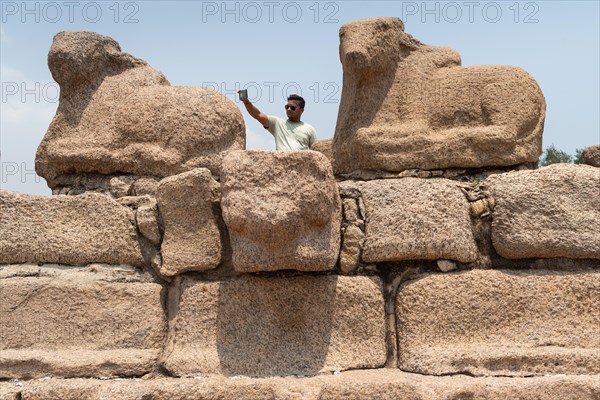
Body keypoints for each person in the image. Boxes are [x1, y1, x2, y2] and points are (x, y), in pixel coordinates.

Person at [240, 93, 316, 151]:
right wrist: (247, 102)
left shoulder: (309, 129)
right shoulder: (277, 123)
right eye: (287, 107)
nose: (289, 109)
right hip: (281, 166)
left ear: (302, 110)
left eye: (292, 107)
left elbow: (316, 152)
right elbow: (258, 115)